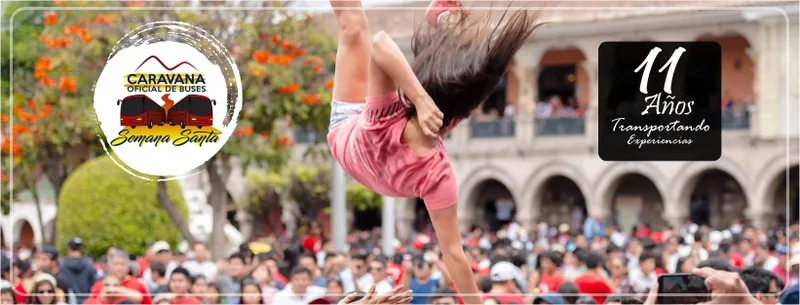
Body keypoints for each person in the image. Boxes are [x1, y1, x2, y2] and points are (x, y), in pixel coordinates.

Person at [325, 0, 537, 303]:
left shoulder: (431, 166)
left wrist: (421, 100)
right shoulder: (392, 117)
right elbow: (380, 44)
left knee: (355, 28)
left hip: (347, 132)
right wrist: (421, 99)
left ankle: (444, 26)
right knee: (355, 27)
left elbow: (454, 254)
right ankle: (444, 25)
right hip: (360, 135)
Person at [58, 237, 97, 305]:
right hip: (87, 301)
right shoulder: (89, 265)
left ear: (69, 249)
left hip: (68, 302)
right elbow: (94, 284)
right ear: (81, 249)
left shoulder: (62, 265)